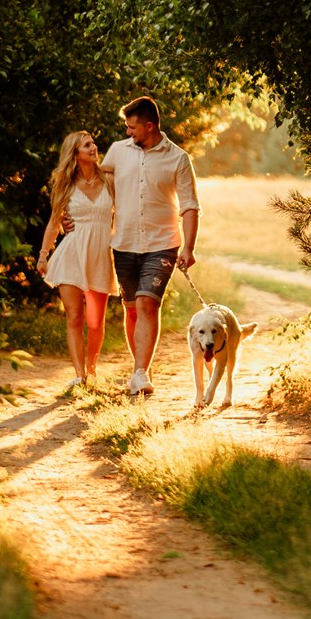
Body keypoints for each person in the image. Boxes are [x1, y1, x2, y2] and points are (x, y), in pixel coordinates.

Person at [101, 95, 199, 397]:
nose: (128, 132)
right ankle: (141, 366)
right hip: (125, 243)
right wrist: (73, 217)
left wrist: (189, 248)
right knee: (131, 310)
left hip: (163, 243)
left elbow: (190, 205)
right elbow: (96, 189)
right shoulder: (117, 151)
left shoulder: (178, 158)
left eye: (132, 127)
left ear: (149, 125)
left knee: (147, 303)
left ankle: (140, 373)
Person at [35, 130, 114, 391]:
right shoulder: (66, 185)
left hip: (101, 255)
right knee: (74, 318)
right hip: (71, 254)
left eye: (92, 143)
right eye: (87, 145)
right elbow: (54, 222)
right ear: (75, 154)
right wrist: (43, 255)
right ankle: (80, 376)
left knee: (96, 321)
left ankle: (92, 370)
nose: (94, 147)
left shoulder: (108, 179)